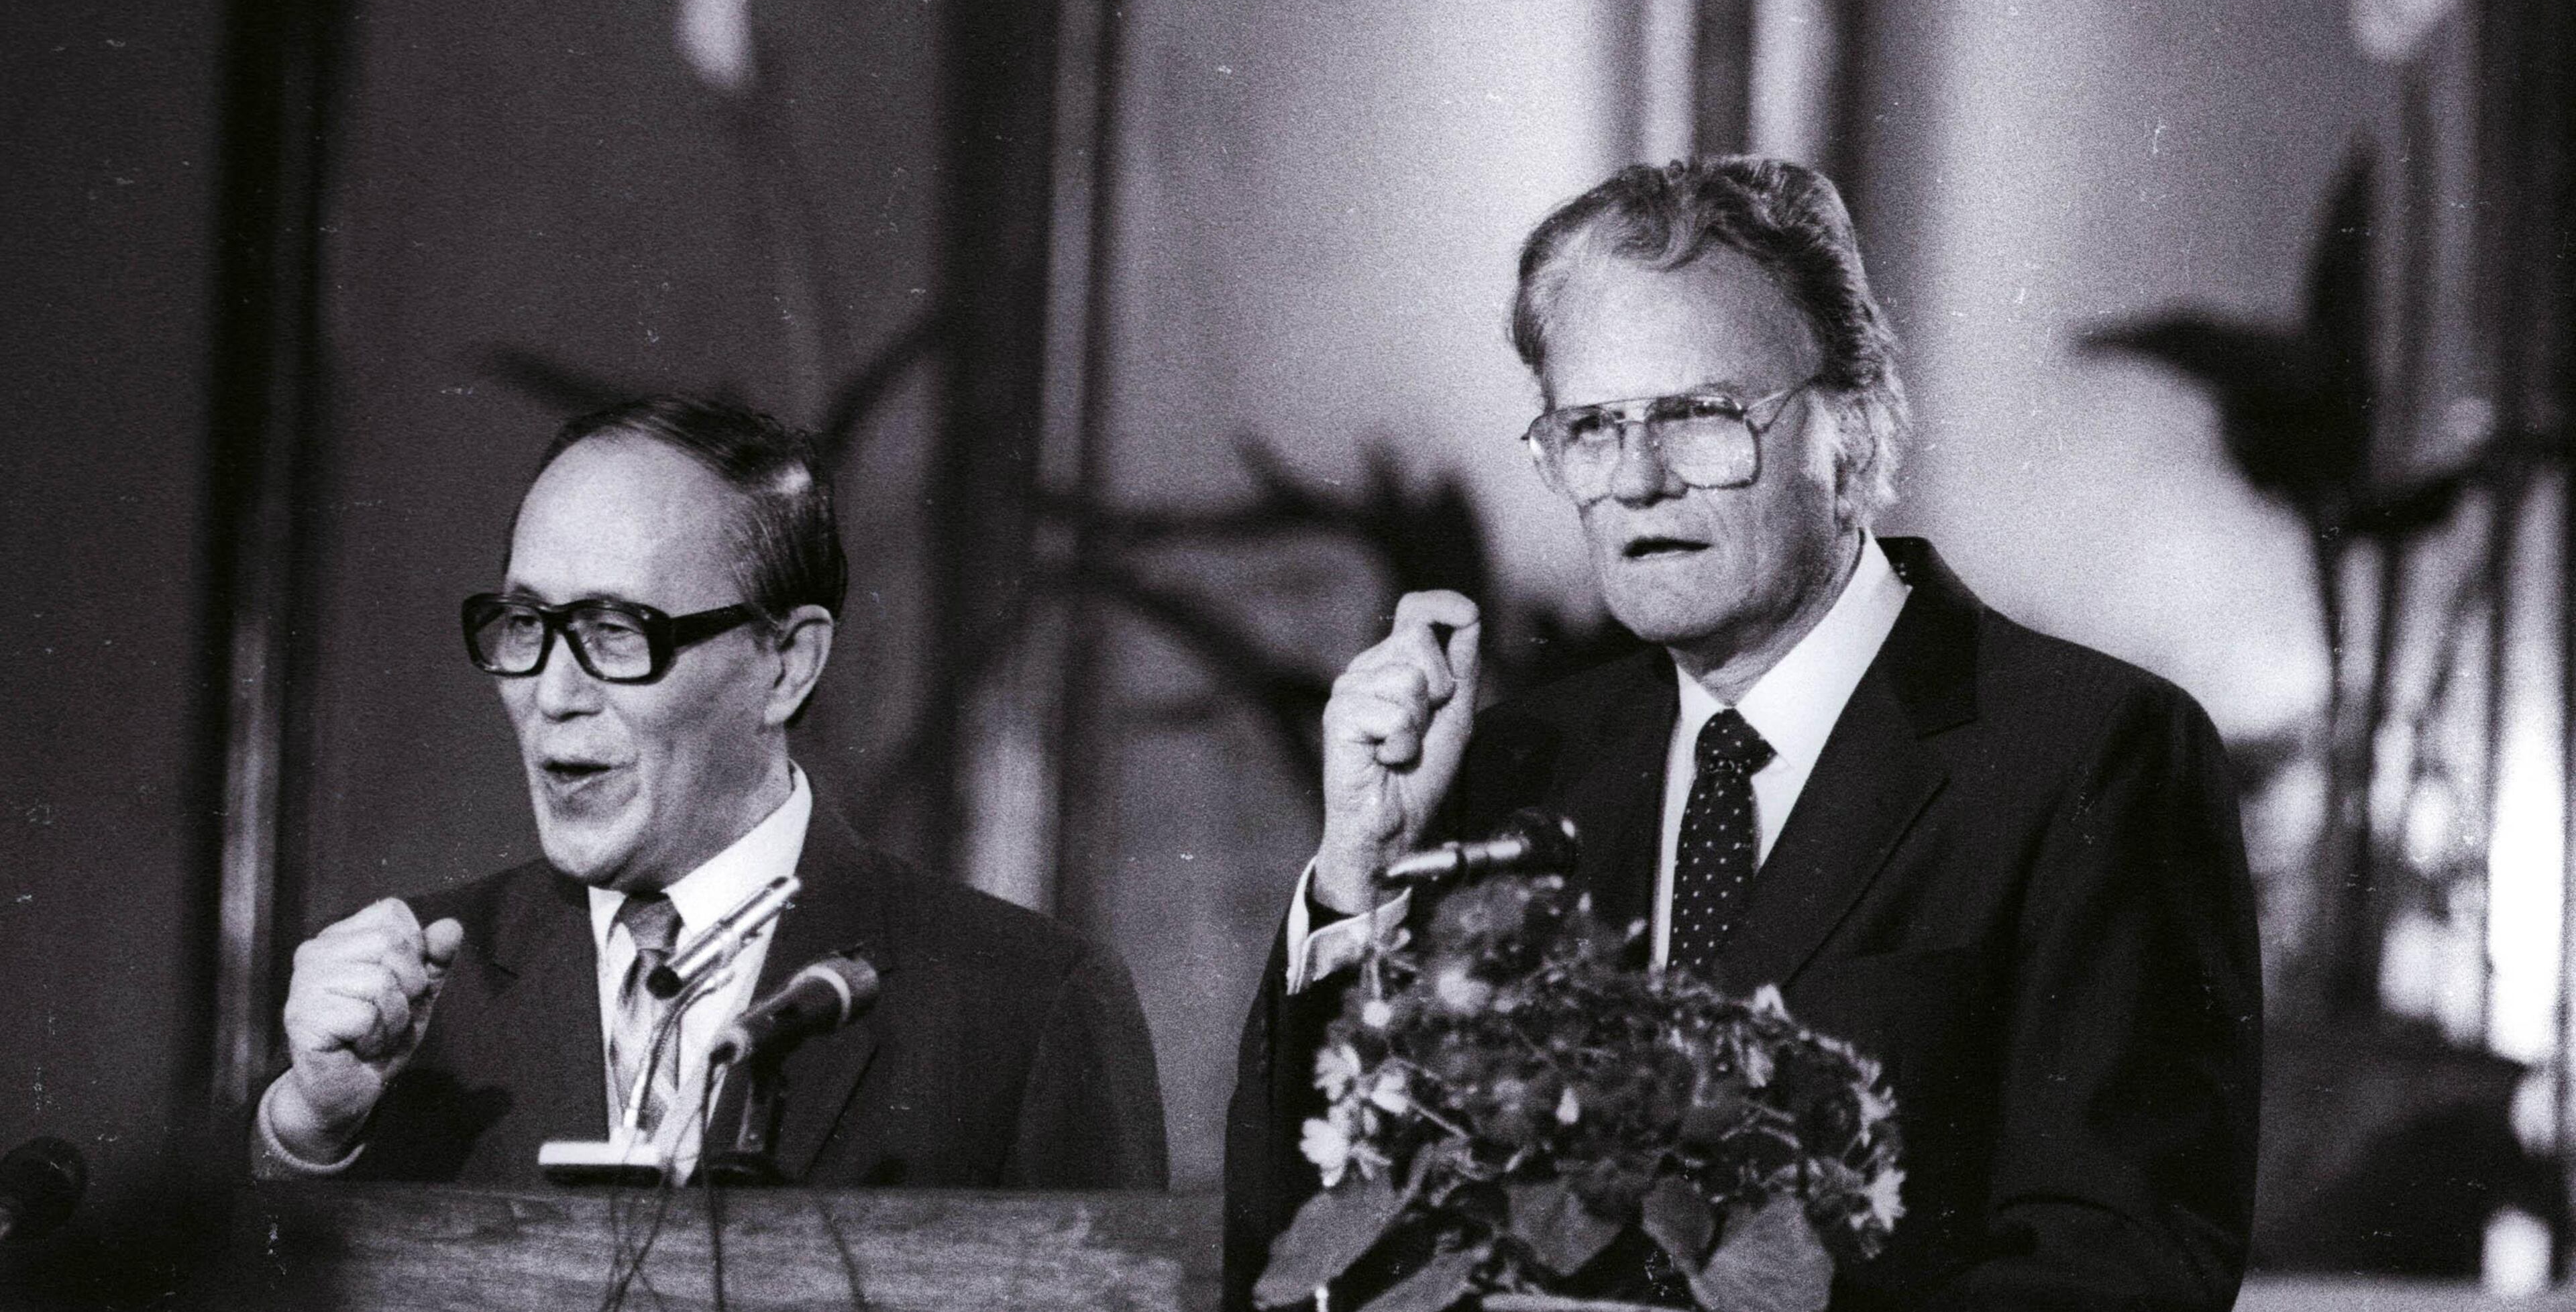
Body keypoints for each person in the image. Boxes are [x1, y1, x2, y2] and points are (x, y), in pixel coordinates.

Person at [1225, 158, 2260, 1311]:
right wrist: (1360, 885)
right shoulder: (1516, 768)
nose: (1637, 480)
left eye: (1702, 418)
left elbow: (2120, 1272)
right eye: (1590, 426)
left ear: (1856, 430)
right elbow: (1295, 1251)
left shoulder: (2090, 755)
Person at [256, 396, 1167, 1189]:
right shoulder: (409, 1002)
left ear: (785, 666)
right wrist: (310, 1133)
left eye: (618, 631)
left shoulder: (1026, 1006)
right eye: (528, 623)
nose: (555, 695)